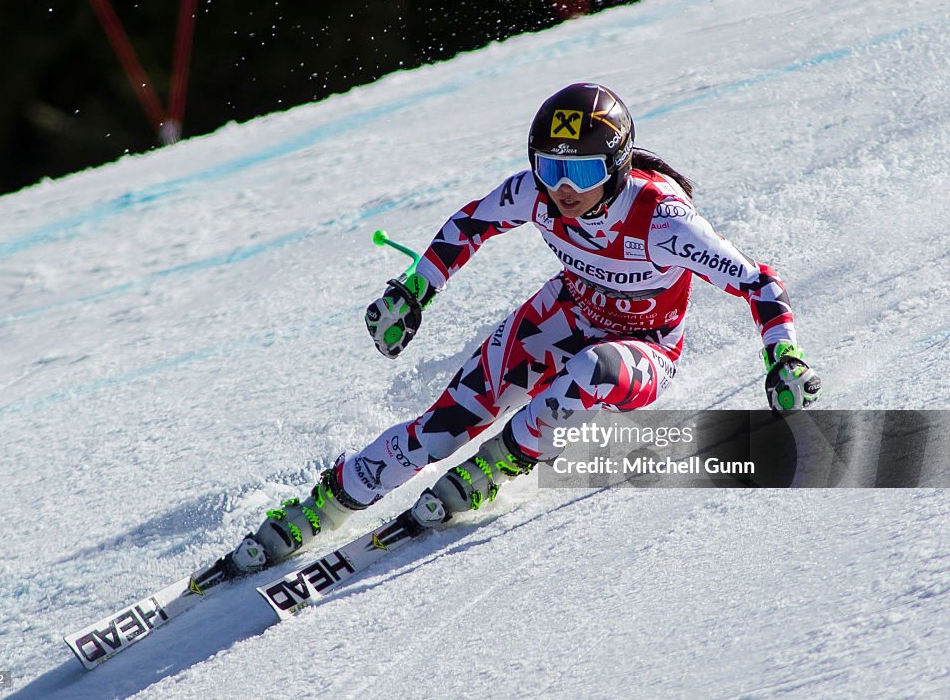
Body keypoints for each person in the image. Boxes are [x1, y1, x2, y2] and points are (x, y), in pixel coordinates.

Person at [227, 82, 821, 573]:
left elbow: (758, 281)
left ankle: (500, 464)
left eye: (583, 170)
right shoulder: (535, 194)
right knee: (442, 428)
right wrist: (413, 293)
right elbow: (469, 225)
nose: (564, 188)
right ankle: (328, 502)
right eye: (552, 167)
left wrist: (783, 356)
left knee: (589, 370)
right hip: (563, 315)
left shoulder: (662, 220)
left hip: (645, 348)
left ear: (615, 167)